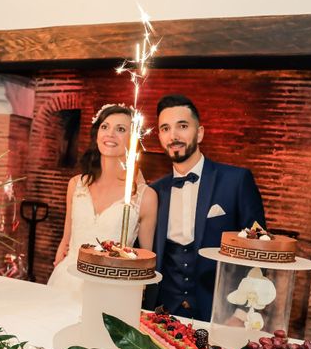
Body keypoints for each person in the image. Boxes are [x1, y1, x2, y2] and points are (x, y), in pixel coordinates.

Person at [150, 94, 266, 321]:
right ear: (160, 137)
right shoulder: (154, 192)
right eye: (165, 129)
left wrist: (242, 313)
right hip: (162, 313)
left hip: (222, 313)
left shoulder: (236, 181)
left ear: (199, 132)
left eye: (182, 126)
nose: (173, 136)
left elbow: (260, 250)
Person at [48, 104, 158, 300]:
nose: (110, 134)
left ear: (133, 139)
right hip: (66, 282)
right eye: (105, 127)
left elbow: (144, 259)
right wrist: (59, 259)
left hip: (113, 289)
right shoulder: (76, 185)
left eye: (121, 129)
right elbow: (67, 238)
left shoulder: (145, 196)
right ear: (97, 133)